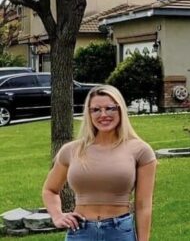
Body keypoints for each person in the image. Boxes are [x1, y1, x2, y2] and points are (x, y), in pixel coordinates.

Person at [42, 85, 157, 240]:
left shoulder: (140, 150)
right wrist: (57, 216)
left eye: (110, 108)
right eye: (96, 110)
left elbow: (143, 205)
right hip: (80, 232)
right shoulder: (71, 150)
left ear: (120, 110)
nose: (103, 115)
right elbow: (50, 190)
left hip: (119, 232)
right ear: (88, 114)